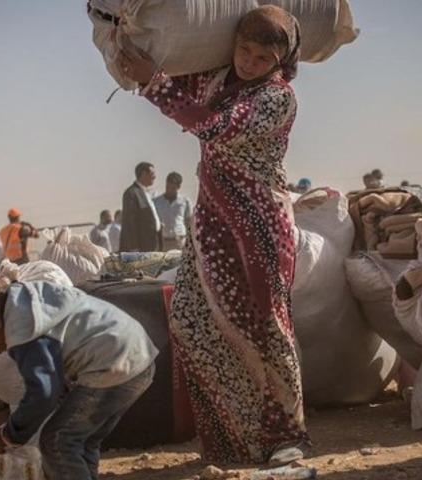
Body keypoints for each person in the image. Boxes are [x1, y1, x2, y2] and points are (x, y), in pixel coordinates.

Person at [119, 5, 309, 465]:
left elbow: (214, 126)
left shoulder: (277, 98)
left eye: (263, 58)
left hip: (259, 226)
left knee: (264, 326)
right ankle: (231, 437)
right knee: (190, 319)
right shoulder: (215, 78)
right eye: (244, 50)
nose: (249, 62)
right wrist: (132, 47)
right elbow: (179, 78)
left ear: (280, 63)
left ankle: (286, 435)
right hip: (211, 222)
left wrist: (153, 84)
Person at [0, 276, 157, 479]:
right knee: (81, 440)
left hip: (113, 365)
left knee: (57, 441)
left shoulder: (24, 330)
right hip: (135, 355)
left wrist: (9, 434)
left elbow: (43, 393)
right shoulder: (26, 302)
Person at [120, 162, 162, 252]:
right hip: (141, 247)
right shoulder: (132, 193)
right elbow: (130, 222)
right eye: (152, 174)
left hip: (151, 243)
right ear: (143, 174)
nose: (155, 177)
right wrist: (134, 247)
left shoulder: (145, 193)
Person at [153, 172, 193, 251]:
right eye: (167, 187)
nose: (169, 190)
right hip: (162, 242)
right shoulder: (156, 202)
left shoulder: (185, 201)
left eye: (173, 188)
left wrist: (190, 241)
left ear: (178, 187)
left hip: (180, 241)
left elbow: (189, 222)